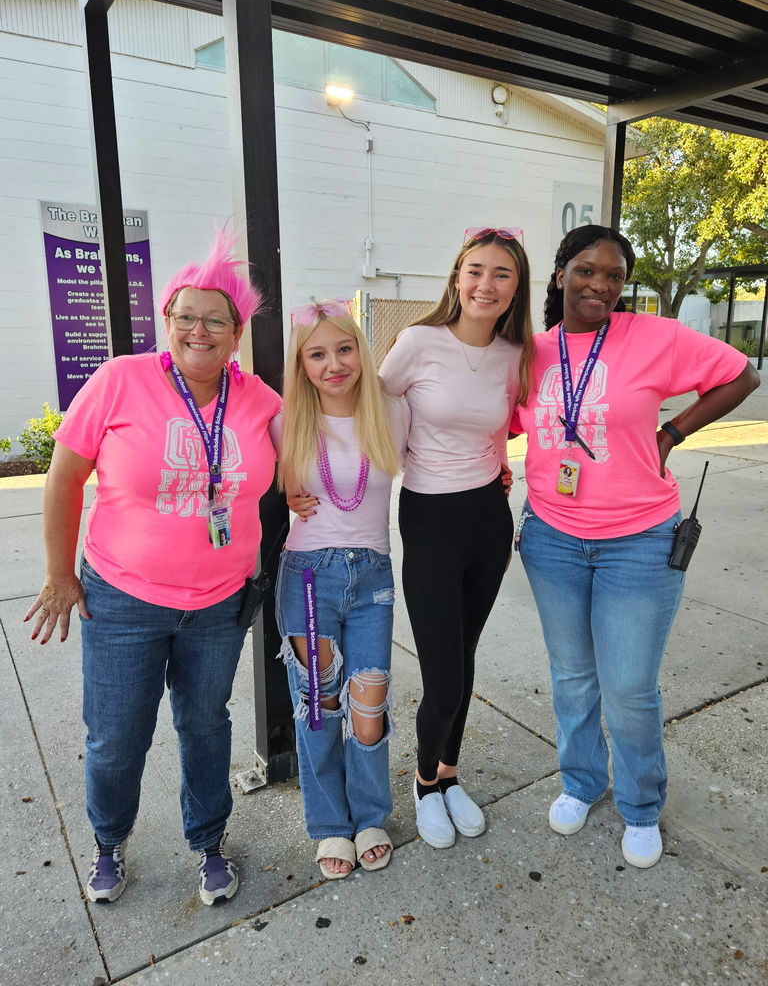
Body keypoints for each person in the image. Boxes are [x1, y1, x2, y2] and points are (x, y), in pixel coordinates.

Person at [24, 230, 282, 904]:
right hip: (123, 599)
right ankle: (109, 842)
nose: (200, 329)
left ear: (236, 332)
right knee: (116, 736)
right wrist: (59, 572)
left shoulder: (259, 401)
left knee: (206, 724)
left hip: (220, 604)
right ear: (167, 320)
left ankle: (208, 842)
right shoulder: (120, 380)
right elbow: (64, 477)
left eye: (216, 319)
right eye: (186, 315)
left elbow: (315, 448)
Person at [513, 224, 759, 869]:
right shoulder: (531, 352)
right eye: (587, 270)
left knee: (628, 686)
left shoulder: (654, 337)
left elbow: (741, 375)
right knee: (571, 678)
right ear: (561, 272)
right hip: (553, 537)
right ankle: (581, 781)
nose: (600, 285)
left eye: (614, 276)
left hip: (640, 540)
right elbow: (501, 420)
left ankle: (641, 803)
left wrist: (673, 431)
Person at [378, 227, 534, 849]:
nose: (485, 284)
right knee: (442, 672)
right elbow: (360, 415)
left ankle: (449, 773)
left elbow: (504, 426)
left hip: (488, 520)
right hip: (430, 517)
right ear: (456, 277)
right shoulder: (416, 344)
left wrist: (500, 461)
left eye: (501, 274)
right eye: (475, 270)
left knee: (463, 660)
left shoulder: (515, 355)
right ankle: (421, 782)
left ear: (515, 287)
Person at [273, 300, 408, 879]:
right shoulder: (283, 421)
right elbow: (240, 476)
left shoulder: (394, 413)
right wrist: (283, 497)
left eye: (345, 348)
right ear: (302, 365)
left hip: (373, 574)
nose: (334, 364)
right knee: (320, 706)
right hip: (308, 574)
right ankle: (330, 825)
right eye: (318, 354)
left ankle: (371, 813)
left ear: (361, 350)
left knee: (369, 702)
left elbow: (449, 453)